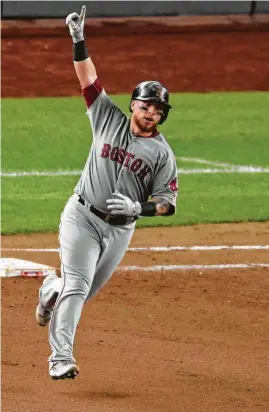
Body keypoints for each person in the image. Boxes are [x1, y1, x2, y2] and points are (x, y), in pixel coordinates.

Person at [35, 5, 179, 380]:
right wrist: (78, 39)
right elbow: (88, 79)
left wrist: (139, 207)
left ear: (163, 116)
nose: (151, 112)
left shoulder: (162, 154)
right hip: (82, 216)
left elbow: (167, 205)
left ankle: (51, 288)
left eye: (158, 109)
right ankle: (60, 358)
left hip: (118, 231)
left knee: (80, 291)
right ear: (133, 104)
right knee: (79, 286)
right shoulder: (106, 117)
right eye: (146, 105)